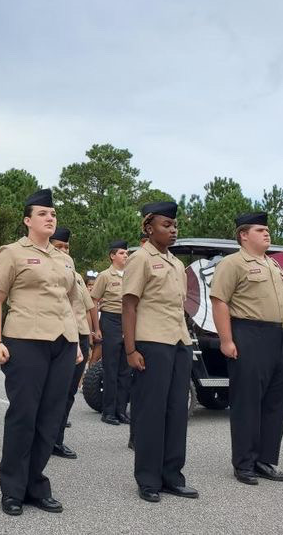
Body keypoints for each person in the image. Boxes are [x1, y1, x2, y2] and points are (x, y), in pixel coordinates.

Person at [0, 189, 83, 516]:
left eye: (53, 214)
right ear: (28, 220)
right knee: (24, 415)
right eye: (43, 214)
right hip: (25, 340)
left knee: (50, 416)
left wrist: (77, 343)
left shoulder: (64, 258)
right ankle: (12, 488)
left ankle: (35, 485)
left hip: (63, 342)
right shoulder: (12, 253)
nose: (50, 218)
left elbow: (70, 301)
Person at [209, 212, 283, 485]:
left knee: (276, 401)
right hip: (248, 332)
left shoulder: (273, 265)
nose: (267, 233)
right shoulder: (233, 263)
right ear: (243, 235)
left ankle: (266, 460)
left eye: (267, 229)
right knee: (247, 401)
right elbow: (220, 301)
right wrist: (226, 340)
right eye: (260, 230)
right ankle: (244, 462)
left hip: (278, 335)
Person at [123, 201, 197, 503]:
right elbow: (129, 304)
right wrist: (130, 349)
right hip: (151, 342)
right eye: (166, 225)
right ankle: (148, 479)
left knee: (177, 411)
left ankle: (172, 476)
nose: (173, 230)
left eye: (175, 225)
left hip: (179, 342)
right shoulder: (140, 258)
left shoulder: (177, 264)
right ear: (149, 227)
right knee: (151, 412)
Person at [49, 227, 97, 459]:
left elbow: (87, 307)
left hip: (79, 336)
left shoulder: (76, 276)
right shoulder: (47, 271)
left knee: (68, 393)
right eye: (59, 247)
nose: (64, 251)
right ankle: (45, 439)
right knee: (53, 393)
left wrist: (90, 333)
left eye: (67, 247)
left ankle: (57, 439)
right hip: (59, 336)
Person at [91, 240, 131, 426]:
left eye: (127, 253)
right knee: (111, 367)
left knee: (125, 368)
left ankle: (121, 410)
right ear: (112, 256)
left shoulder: (131, 275)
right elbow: (94, 301)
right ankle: (108, 412)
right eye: (122, 253)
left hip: (128, 321)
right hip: (110, 320)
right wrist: (97, 328)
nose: (126, 256)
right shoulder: (105, 276)